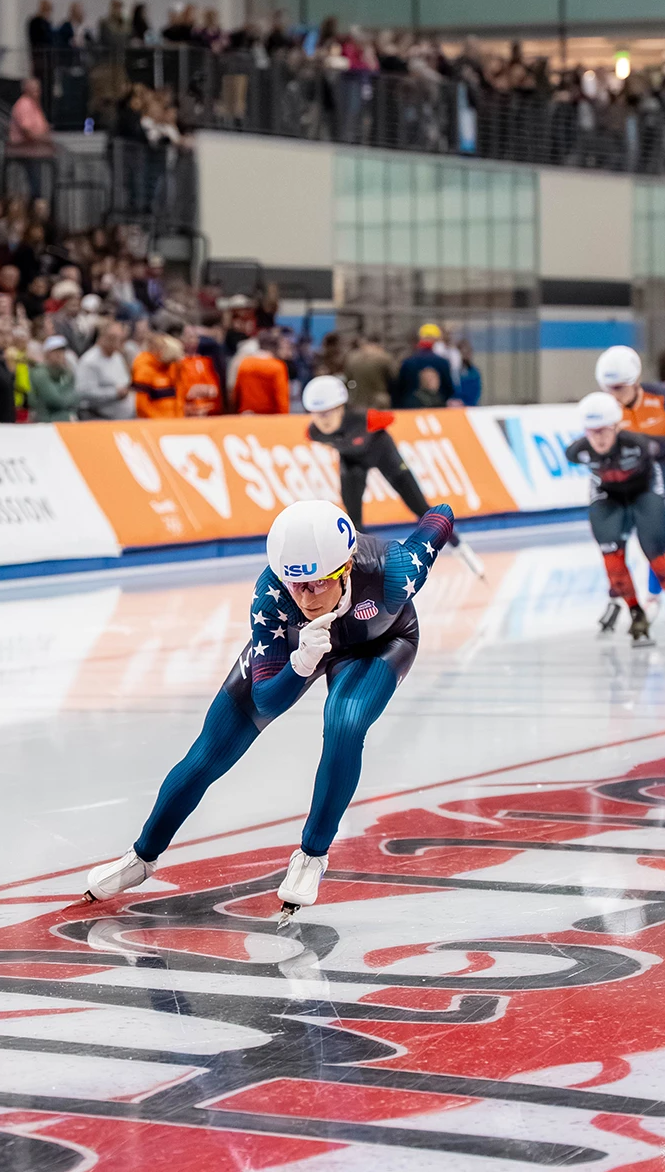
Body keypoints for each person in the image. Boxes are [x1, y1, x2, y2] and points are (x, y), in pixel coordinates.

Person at [83, 496, 457, 920]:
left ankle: (312, 856)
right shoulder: (271, 596)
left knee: (345, 722)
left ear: (347, 567)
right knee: (209, 751)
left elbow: (439, 519)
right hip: (295, 646)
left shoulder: (394, 571)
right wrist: (299, 664)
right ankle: (141, 856)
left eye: (318, 584)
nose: (306, 597)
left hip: (379, 643)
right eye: (296, 584)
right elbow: (265, 700)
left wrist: (440, 515)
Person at [565, 392, 665, 644]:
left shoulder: (638, 443)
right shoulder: (577, 451)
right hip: (607, 495)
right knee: (611, 557)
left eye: (604, 431)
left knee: (655, 552)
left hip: (643, 491)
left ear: (617, 426)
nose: (599, 438)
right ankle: (636, 613)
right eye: (592, 432)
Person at [303, 374, 432, 529]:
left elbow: (390, 418)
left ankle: (450, 537)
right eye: (317, 414)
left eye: (327, 413)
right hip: (352, 461)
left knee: (419, 505)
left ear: (340, 408)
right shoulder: (313, 433)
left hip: (383, 454)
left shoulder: (365, 418)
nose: (323, 420)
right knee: (352, 518)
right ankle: (358, 544)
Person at [7, 78, 55, 201]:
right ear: (26, 90)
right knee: (33, 183)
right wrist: (43, 139)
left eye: (38, 90)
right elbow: (26, 130)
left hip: (36, 151)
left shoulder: (34, 105)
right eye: (34, 90)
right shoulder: (24, 105)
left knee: (38, 180)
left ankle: (38, 202)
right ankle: (35, 203)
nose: (38, 93)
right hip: (26, 151)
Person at [75, 322, 133, 420]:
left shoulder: (117, 357)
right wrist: (114, 393)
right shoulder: (90, 361)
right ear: (102, 337)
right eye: (112, 338)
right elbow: (83, 392)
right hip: (98, 417)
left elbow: (125, 381)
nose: (116, 342)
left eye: (119, 338)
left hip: (124, 415)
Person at [394, 323, 456, 408]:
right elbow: (449, 389)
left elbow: (400, 389)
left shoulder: (408, 362)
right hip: (437, 408)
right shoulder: (442, 363)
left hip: (411, 409)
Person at [232, 333, 289, 414]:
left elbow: (237, 393)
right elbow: (281, 397)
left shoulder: (244, 363)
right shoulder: (277, 366)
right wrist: (284, 416)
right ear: (275, 348)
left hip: (246, 414)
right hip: (269, 416)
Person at [176, 325, 223, 416]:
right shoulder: (178, 364)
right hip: (189, 412)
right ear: (181, 340)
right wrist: (199, 390)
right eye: (188, 337)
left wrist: (198, 390)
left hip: (210, 411)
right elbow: (187, 392)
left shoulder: (206, 361)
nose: (192, 340)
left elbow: (214, 390)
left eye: (194, 337)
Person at [31, 336, 80, 422]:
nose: (59, 354)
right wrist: (67, 396)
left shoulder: (66, 372)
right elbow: (54, 400)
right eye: (55, 351)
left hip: (62, 415)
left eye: (62, 351)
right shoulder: (39, 373)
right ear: (47, 354)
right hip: (44, 418)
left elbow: (76, 398)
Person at [131, 333, 180, 418]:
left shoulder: (170, 366)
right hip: (156, 422)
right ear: (153, 349)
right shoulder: (144, 369)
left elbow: (179, 397)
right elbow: (141, 406)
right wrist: (159, 422)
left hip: (174, 421)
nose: (165, 350)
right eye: (162, 347)